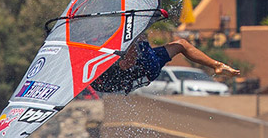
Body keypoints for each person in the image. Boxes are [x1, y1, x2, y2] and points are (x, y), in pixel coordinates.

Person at [90, 34, 241, 95]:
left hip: (142, 70)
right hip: (142, 69)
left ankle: (217, 65)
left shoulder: (97, 58)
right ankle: (216, 65)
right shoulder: (100, 68)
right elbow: (127, 64)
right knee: (138, 36)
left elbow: (127, 63)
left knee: (181, 44)